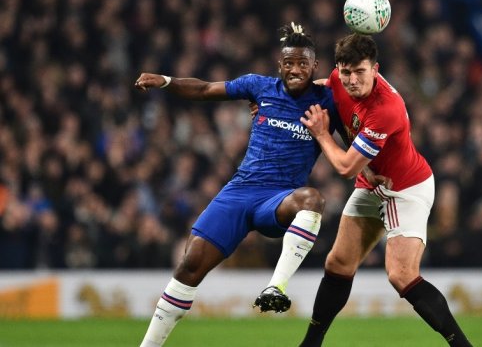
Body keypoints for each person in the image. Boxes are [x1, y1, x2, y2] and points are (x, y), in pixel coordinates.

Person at [134, 23, 341, 347]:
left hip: (280, 199)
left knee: (312, 200)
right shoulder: (258, 87)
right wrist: (167, 81)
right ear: (279, 65)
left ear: (315, 66)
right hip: (241, 191)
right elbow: (204, 90)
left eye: (303, 63)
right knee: (190, 264)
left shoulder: (328, 102)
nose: (295, 69)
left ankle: (276, 287)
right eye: (289, 63)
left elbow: (356, 140)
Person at [298, 33, 473, 346]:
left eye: (360, 72)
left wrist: (322, 134)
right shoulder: (339, 78)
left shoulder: (385, 109)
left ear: (375, 69)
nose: (351, 80)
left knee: (401, 274)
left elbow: (344, 167)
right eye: (346, 71)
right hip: (372, 181)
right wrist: (271, 107)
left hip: (406, 188)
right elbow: (318, 90)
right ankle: (310, 344)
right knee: (338, 264)